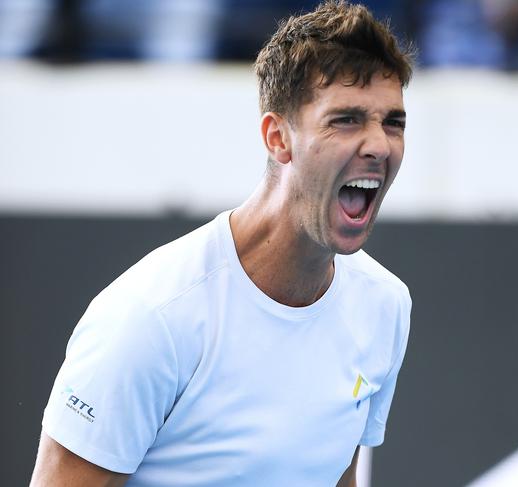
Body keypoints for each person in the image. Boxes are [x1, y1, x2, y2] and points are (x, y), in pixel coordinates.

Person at [30, 1, 413, 486]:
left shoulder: (386, 306)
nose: (380, 145)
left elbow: (337, 476)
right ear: (278, 138)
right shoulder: (152, 316)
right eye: (347, 120)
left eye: (393, 123)